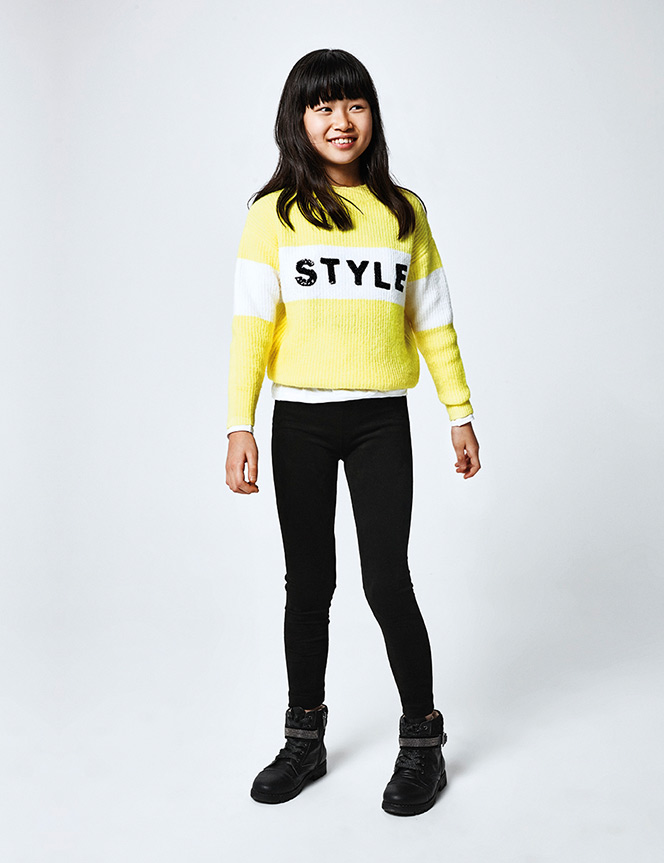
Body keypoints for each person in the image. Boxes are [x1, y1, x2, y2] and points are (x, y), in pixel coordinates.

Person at [224, 48, 480, 816]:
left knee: (386, 579)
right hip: (299, 421)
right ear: (298, 120)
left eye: (355, 104)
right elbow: (249, 329)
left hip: (379, 422)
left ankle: (423, 741)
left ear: (372, 115)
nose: (341, 121)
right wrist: (240, 424)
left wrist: (459, 412)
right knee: (308, 584)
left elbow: (434, 321)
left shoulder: (403, 212)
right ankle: (304, 738)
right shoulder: (273, 216)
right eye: (323, 106)